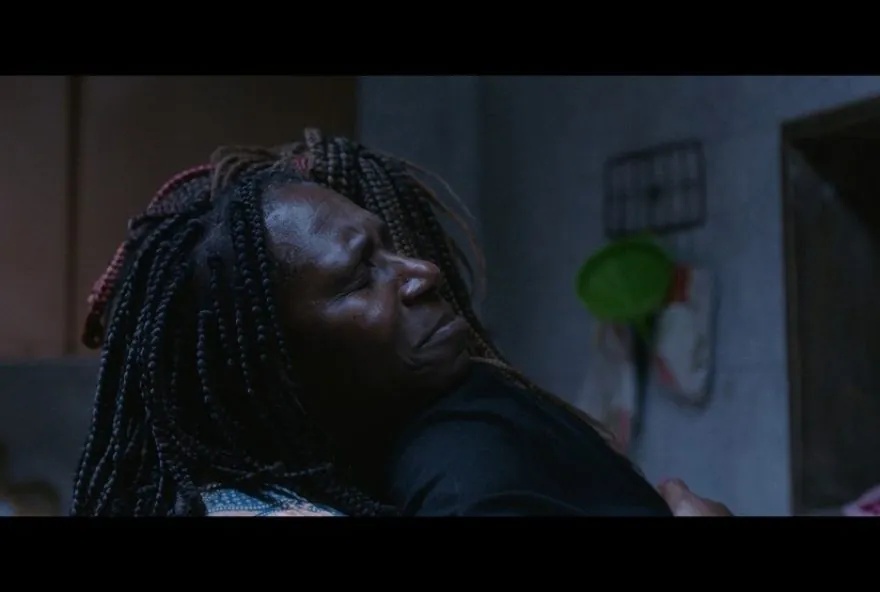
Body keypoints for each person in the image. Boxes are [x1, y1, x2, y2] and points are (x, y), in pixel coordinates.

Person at [71, 127, 695, 517]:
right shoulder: (466, 474)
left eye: (389, 245)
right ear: (278, 370)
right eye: (360, 276)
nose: (424, 270)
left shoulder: (465, 430)